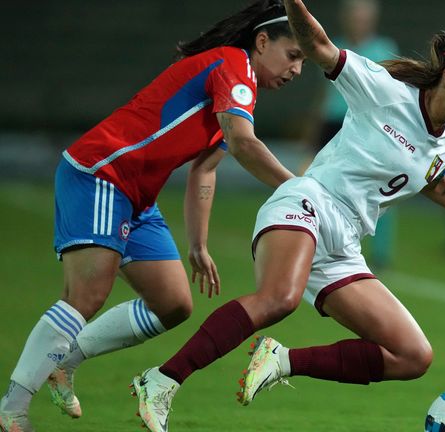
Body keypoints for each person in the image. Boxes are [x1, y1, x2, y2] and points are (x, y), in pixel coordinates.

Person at [131, 1, 445, 431]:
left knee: (413, 355)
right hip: (308, 201)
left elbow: (434, 184)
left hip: (344, 241)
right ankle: (161, 380)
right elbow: (320, 45)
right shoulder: (384, 90)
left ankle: (282, 359)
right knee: (278, 299)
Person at [0, 1, 305, 430]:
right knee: (86, 294)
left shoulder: (238, 94)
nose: (297, 70)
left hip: (136, 196)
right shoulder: (234, 64)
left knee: (173, 303)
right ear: (261, 41)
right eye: (293, 55)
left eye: (304, 62)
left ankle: (63, 360)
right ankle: (12, 409)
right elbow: (244, 144)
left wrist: (198, 243)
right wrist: (298, 188)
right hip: (104, 171)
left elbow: (205, 170)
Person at [314, 0, 399, 269]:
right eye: (354, 16)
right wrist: (313, 127)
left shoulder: (384, 49)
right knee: (325, 188)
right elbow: (324, 94)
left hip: (368, 126)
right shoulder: (334, 46)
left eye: (363, 17)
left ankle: (381, 252)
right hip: (333, 123)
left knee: (379, 190)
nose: (358, 21)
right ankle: (324, 245)